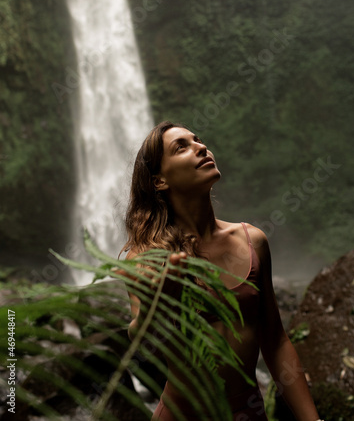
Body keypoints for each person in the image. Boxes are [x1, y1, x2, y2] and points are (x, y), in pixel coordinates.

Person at [120, 121, 322, 421]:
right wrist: (157, 306)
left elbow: (276, 340)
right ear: (159, 181)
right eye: (182, 147)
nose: (201, 147)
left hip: (248, 412)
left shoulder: (253, 241)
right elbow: (139, 335)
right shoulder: (147, 256)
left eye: (198, 140)